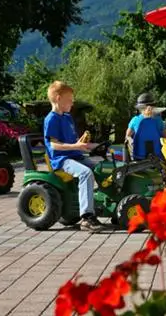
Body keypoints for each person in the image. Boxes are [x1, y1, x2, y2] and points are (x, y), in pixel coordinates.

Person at [44, 81, 105, 232]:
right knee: (85, 173)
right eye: (69, 99)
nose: (72, 102)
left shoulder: (67, 118)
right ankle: (86, 217)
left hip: (75, 156)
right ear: (58, 98)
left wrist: (92, 145)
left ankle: (105, 204)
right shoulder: (51, 119)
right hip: (62, 160)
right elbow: (54, 145)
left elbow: (75, 143)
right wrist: (76, 147)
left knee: (103, 167)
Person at [125, 92, 166, 160]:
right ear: (153, 106)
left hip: (139, 156)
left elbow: (128, 135)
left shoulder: (135, 120)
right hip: (156, 156)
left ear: (140, 108)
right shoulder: (158, 120)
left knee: (127, 140)